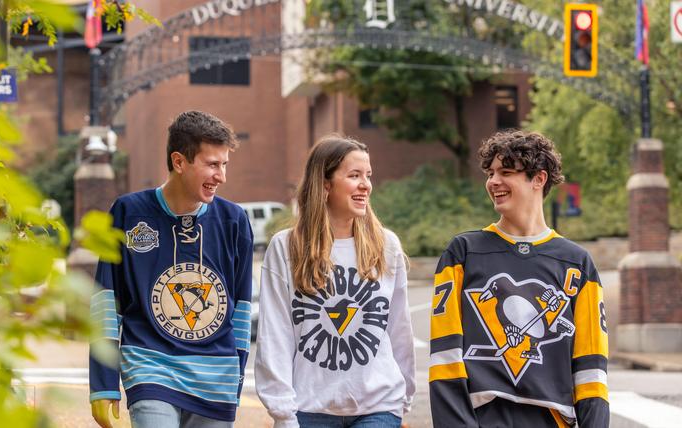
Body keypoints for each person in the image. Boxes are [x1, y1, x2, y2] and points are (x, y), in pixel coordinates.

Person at [429, 130, 609, 427]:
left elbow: (591, 368)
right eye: (490, 173)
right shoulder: (464, 252)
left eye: (507, 172)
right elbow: (445, 357)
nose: (493, 181)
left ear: (538, 179)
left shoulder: (577, 264)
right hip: (481, 417)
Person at [89, 111, 253, 428]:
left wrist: (238, 376)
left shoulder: (234, 221)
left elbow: (242, 309)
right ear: (179, 162)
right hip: (151, 367)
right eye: (212, 164)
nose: (221, 176)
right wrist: (103, 382)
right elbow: (107, 300)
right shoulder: (128, 213)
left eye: (224, 165)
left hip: (216, 376)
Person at [255, 134, 416, 428]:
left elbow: (399, 328)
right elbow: (275, 335)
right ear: (325, 185)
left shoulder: (386, 245)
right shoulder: (286, 247)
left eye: (368, 176)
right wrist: (282, 414)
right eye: (354, 176)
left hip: (377, 405)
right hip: (308, 408)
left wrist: (402, 400)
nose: (366, 185)